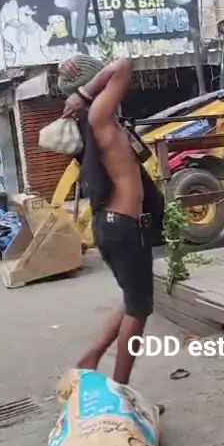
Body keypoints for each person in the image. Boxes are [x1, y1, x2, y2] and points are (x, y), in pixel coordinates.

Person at [58, 54, 163, 385]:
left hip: (115, 226)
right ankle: (120, 390)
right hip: (123, 228)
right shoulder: (98, 115)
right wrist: (85, 91)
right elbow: (124, 64)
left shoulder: (95, 120)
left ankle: (90, 359)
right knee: (138, 311)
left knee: (133, 298)